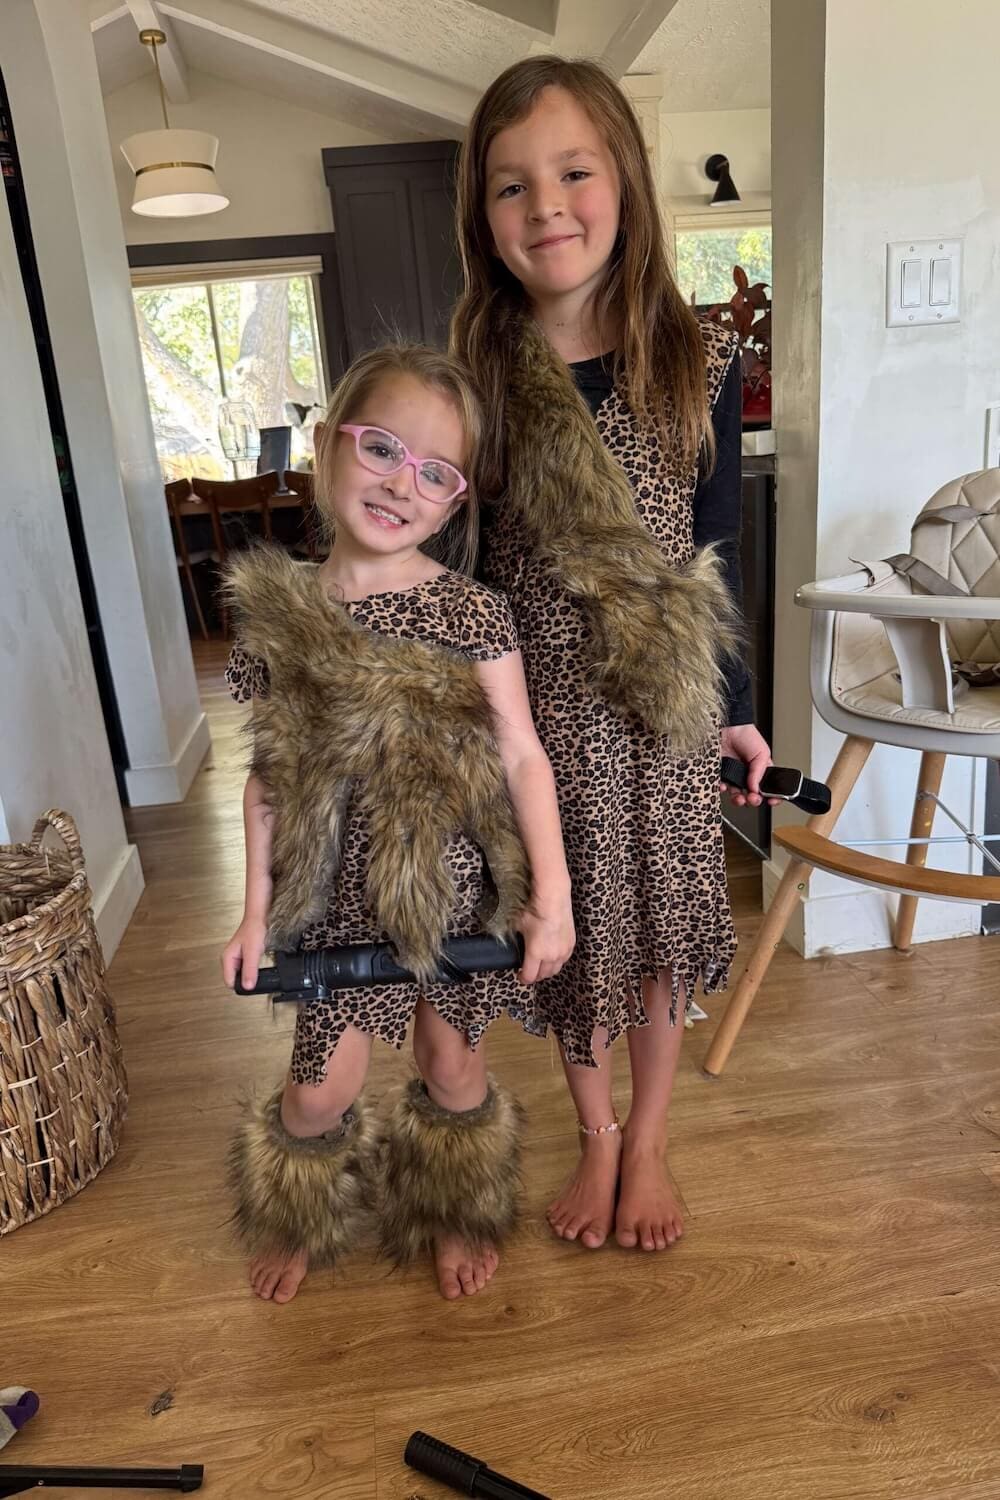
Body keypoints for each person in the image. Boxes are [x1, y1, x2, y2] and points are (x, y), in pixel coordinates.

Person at [451, 57, 774, 1255]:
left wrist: (736, 711)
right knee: (571, 937)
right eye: (510, 187)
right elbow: (460, 572)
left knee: (656, 938)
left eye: (574, 172)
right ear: (479, 219)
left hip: (666, 718)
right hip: (538, 735)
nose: (547, 207)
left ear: (624, 181)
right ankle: (592, 1137)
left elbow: (716, 557)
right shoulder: (477, 380)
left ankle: (647, 1136)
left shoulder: (694, 360)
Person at [221, 343, 574, 1302]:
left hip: (450, 898)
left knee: (452, 1067)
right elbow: (267, 778)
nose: (399, 483)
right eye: (380, 447)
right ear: (329, 444)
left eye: (434, 471)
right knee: (317, 1090)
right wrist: (255, 916)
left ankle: (454, 1213)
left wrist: (553, 896)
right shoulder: (276, 614)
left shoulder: (472, 613)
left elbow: (521, 756)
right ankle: (297, 1211)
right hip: (332, 905)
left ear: (455, 501)